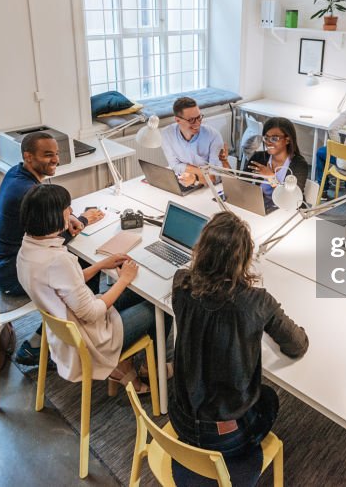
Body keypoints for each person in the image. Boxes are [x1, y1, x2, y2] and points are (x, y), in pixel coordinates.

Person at [170, 212, 308, 486]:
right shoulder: (256, 303)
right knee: (269, 398)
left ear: (201, 250)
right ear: (244, 259)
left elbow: (207, 299)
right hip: (226, 437)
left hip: (181, 420)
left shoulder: (181, 284)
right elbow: (297, 346)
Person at [16, 184, 162, 392]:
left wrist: (102, 265)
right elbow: (91, 313)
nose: (72, 212)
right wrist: (123, 279)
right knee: (157, 307)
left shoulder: (28, 248)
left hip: (66, 330)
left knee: (135, 294)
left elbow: (66, 284)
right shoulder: (57, 260)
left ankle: (128, 366)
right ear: (54, 216)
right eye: (68, 208)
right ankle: (149, 369)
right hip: (91, 341)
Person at [0, 132, 104, 364]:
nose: (56, 160)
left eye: (57, 154)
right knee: (82, 266)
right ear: (28, 157)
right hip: (13, 274)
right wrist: (82, 219)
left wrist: (66, 215)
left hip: (1, 263)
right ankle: (56, 339)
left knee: (74, 267)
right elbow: (53, 240)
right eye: (48, 155)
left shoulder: (16, 173)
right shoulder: (25, 191)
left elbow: (42, 227)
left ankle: (62, 329)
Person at [160, 96, 230, 186]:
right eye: (191, 120)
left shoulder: (213, 136)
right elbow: (175, 166)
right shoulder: (167, 134)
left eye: (199, 117)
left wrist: (195, 178)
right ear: (178, 120)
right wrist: (200, 172)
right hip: (186, 180)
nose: (197, 123)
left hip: (211, 187)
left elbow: (214, 177)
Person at [245, 117, 310, 210]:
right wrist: (225, 162)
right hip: (263, 207)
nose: (268, 142)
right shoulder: (258, 158)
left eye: (274, 139)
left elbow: (290, 200)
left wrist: (271, 178)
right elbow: (241, 184)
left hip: (288, 210)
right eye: (266, 138)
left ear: (287, 140)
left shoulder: (299, 164)